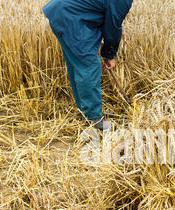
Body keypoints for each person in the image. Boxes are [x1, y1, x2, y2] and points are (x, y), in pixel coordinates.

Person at [42, 0, 134, 131]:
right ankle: (94, 117)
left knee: (78, 62)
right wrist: (109, 54)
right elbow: (113, 25)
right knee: (89, 65)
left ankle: (85, 109)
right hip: (69, 17)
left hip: (63, 13)